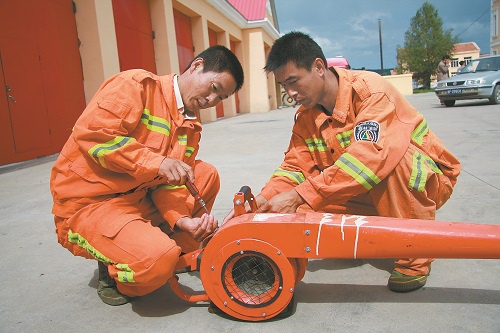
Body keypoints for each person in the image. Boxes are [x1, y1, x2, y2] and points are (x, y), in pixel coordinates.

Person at [225, 32, 461, 293]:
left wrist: (300, 194)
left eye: (293, 81)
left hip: (423, 184)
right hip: (368, 192)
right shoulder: (306, 118)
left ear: (318, 67)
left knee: (391, 160)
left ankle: (414, 258)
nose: (290, 93)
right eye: (283, 86)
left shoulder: (371, 92)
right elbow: (294, 168)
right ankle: (363, 235)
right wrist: (262, 202)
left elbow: (369, 159)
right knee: (295, 211)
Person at [50, 45, 244, 305]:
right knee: (156, 261)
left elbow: (169, 185)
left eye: (220, 98)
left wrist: (182, 220)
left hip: (136, 198)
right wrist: (155, 162)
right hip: (90, 204)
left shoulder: (190, 125)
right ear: (196, 66)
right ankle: (117, 269)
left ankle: (169, 252)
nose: (212, 101)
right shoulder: (135, 86)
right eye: (214, 88)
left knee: (204, 174)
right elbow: (93, 135)